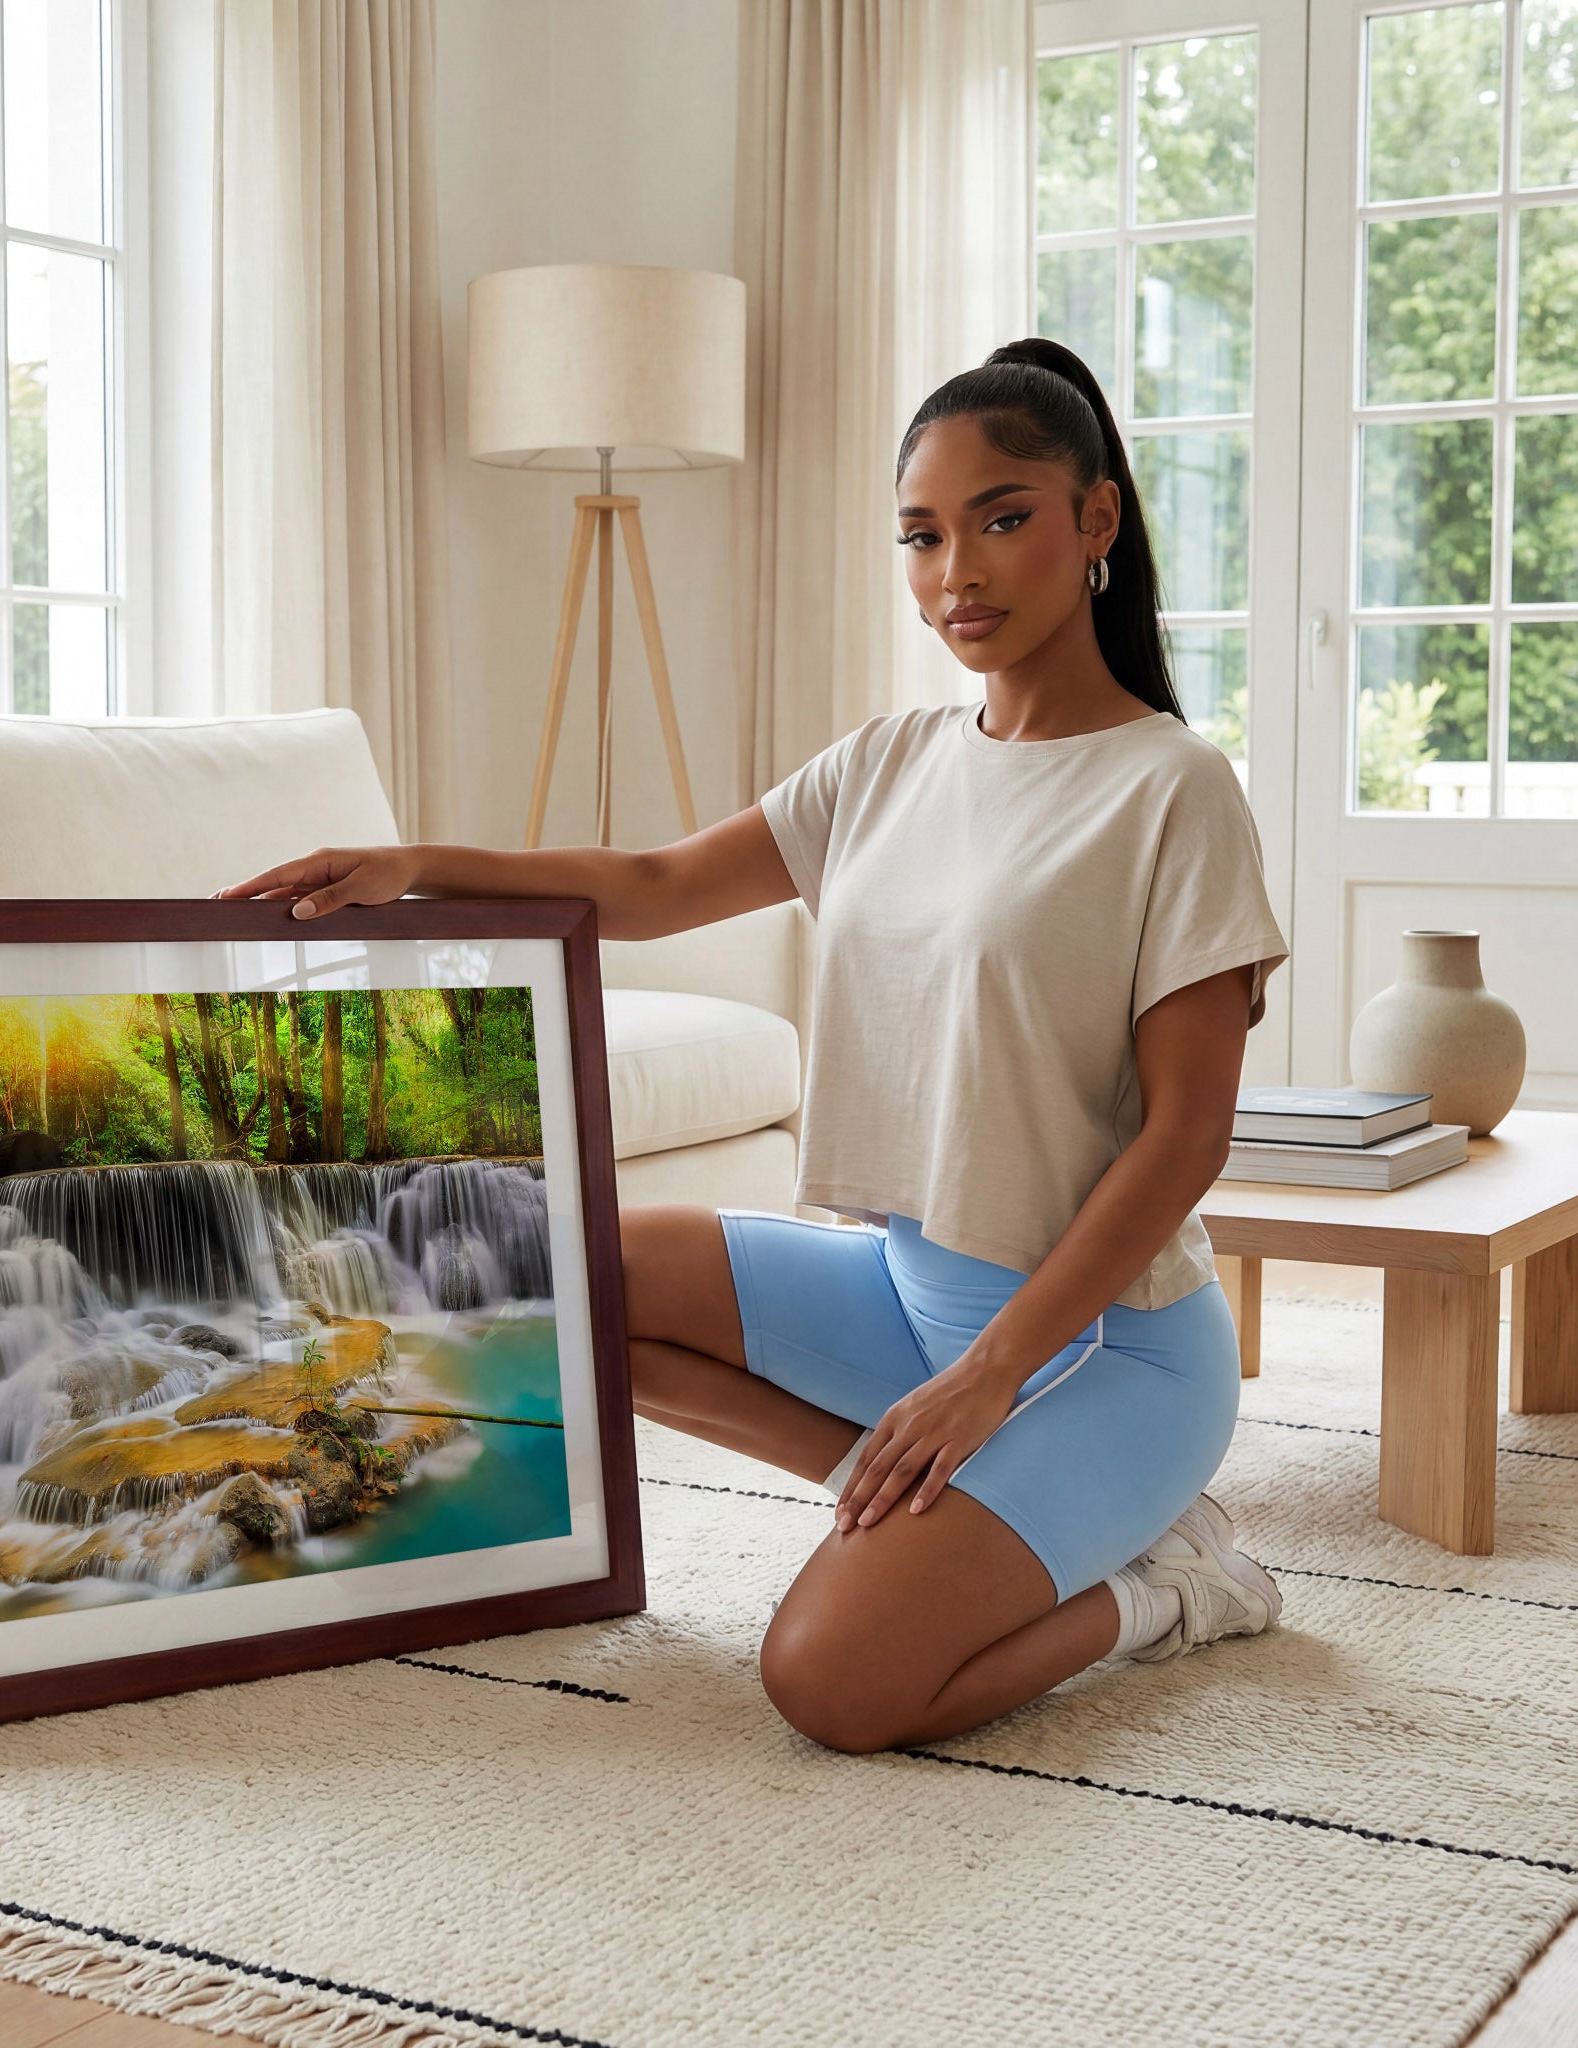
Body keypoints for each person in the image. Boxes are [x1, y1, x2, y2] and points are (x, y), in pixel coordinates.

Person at [215, 335, 1290, 1755]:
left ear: (1096, 522)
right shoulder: (888, 762)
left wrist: (985, 1385)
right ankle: (928, 1501)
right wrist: (416, 863)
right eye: (922, 536)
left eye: (1002, 519)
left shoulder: (1174, 791)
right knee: (549, 1281)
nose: (955, 571)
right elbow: (656, 887)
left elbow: (1185, 1140)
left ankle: (1170, 1584)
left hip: (1108, 1354)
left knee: (834, 1685)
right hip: (909, 1294)